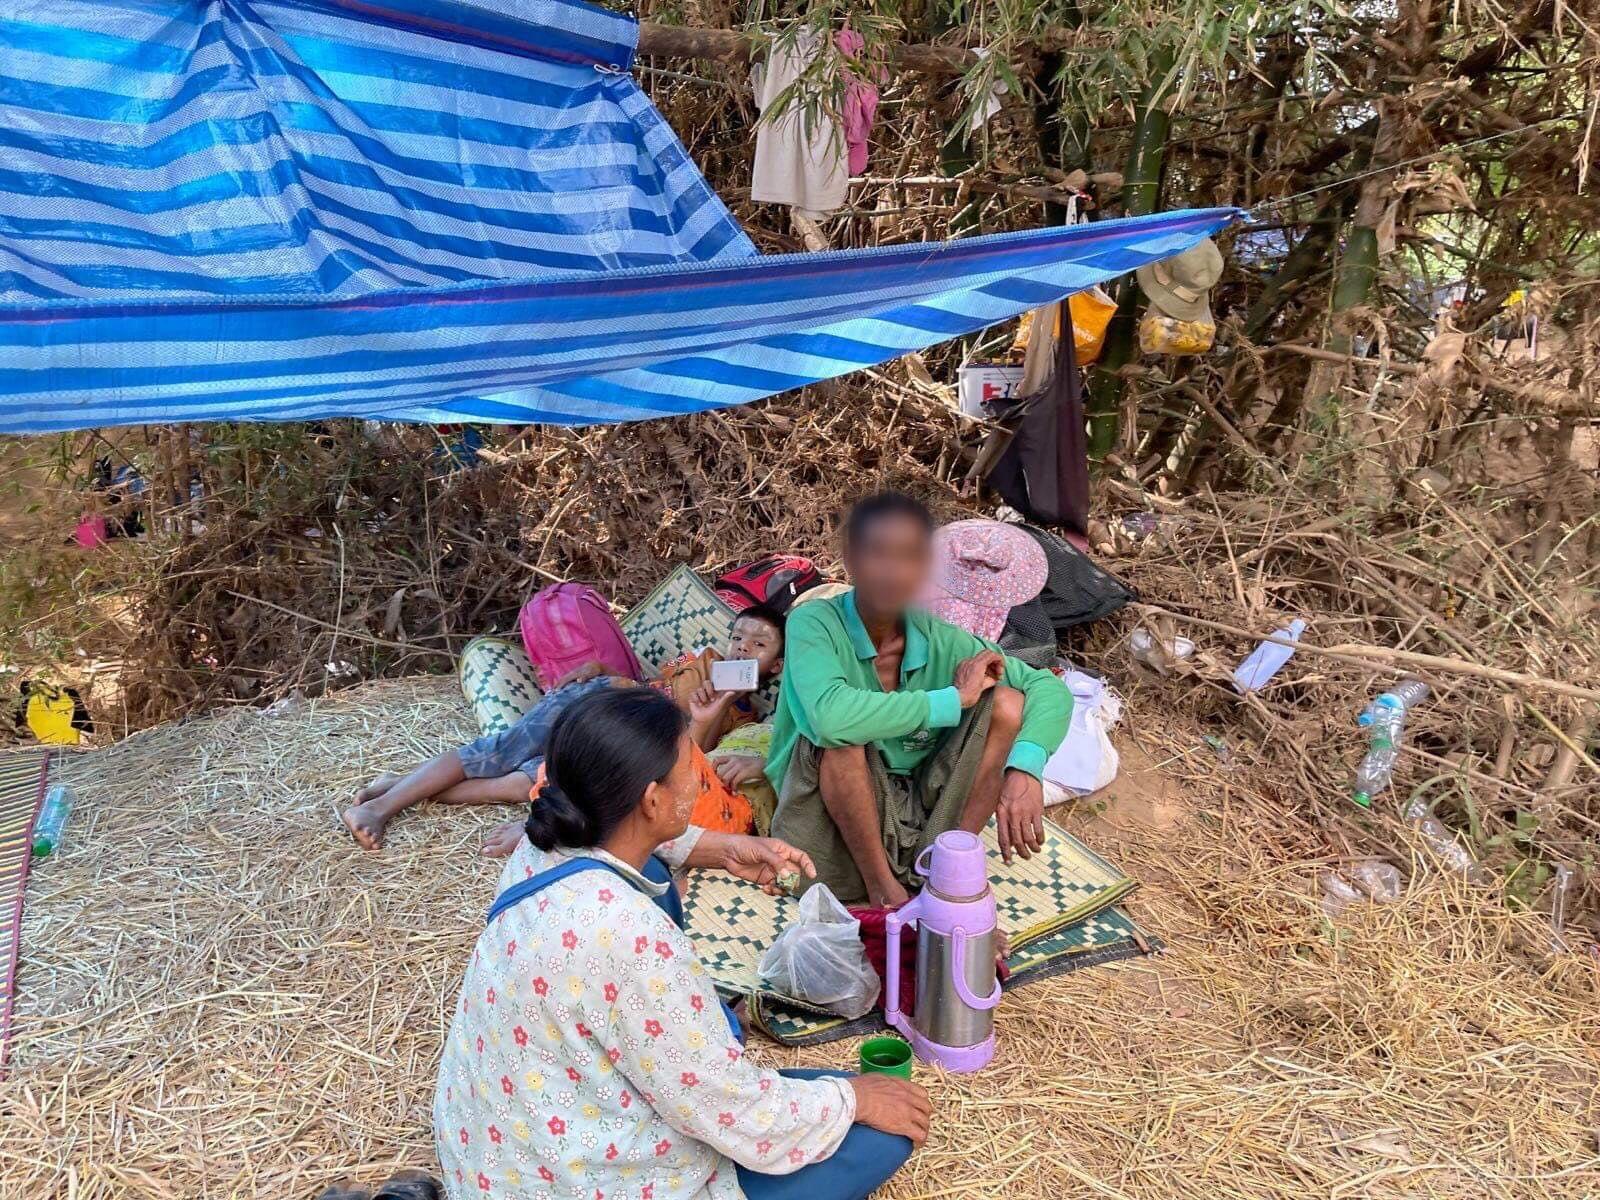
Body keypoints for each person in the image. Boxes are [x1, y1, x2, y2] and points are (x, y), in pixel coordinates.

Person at [434, 687, 930, 1200]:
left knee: (823, 1090)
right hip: (576, 1181)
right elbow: (729, 1107)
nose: (703, 775)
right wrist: (849, 1102)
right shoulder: (631, 936)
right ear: (651, 800)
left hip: (494, 1155)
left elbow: (643, 841)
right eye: (692, 765)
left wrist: (722, 847)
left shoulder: (541, 844)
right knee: (880, 1133)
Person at [767, 493, 1071, 908]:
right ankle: (883, 891)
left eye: (910, 557)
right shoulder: (814, 621)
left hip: (916, 799)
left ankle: (944, 873)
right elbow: (829, 719)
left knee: (1008, 703)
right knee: (843, 737)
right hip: (830, 802)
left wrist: (1027, 767)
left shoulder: (939, 637)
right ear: (851, 560)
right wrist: (952, 699)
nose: (894, 572)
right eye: (878, 554)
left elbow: (1046, 685)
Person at [343, 668, 621, 851]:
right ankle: (378, 808)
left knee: (523, 785)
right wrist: (605, 668)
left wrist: (530, 831)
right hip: (600, 699)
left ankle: (399, 783)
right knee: (497, 754)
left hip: (612, 736)